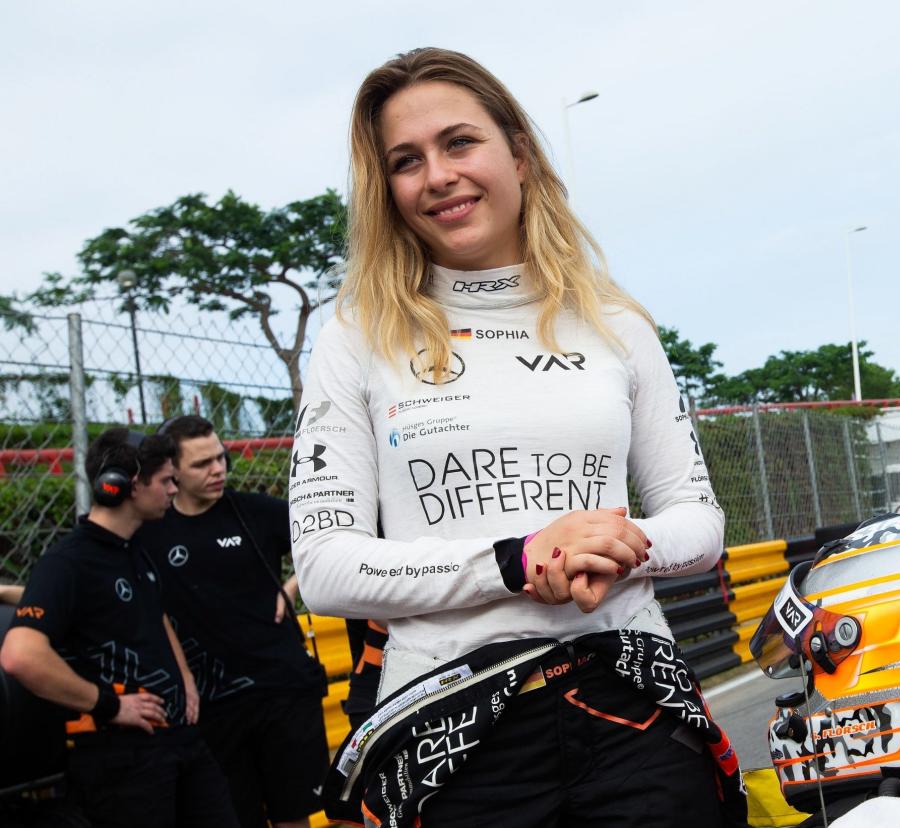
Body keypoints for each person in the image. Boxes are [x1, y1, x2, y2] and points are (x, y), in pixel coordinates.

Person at [292, 48, 734, 827]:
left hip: (628, 698)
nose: (437, 175)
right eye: (406, 161)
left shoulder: (616, 323)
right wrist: (519, 560)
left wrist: (610, 546)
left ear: (520, 155)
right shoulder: (353, 337)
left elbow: (698, 523)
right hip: (450, 725)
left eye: (460, 142)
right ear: (387, 191)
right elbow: (326, 567)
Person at [0, 429, 237, 828]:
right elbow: (20, 655)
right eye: (165, 480)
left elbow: (151, 611)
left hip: (179, 741)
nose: (173, 489)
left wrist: (184, 680)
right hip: (122, 758)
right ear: (122, 486)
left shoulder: (132, 548)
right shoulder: (69, 562)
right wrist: (109, 705)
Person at [134, 415, 328, 828]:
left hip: (281, 689)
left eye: (221, 458)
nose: (218, 469)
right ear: (172, 471)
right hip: (212, 705)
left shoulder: (252, 511)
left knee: (293, 814)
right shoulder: (151, 531)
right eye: (202, 464)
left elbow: (328, 538)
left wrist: (293, 587)